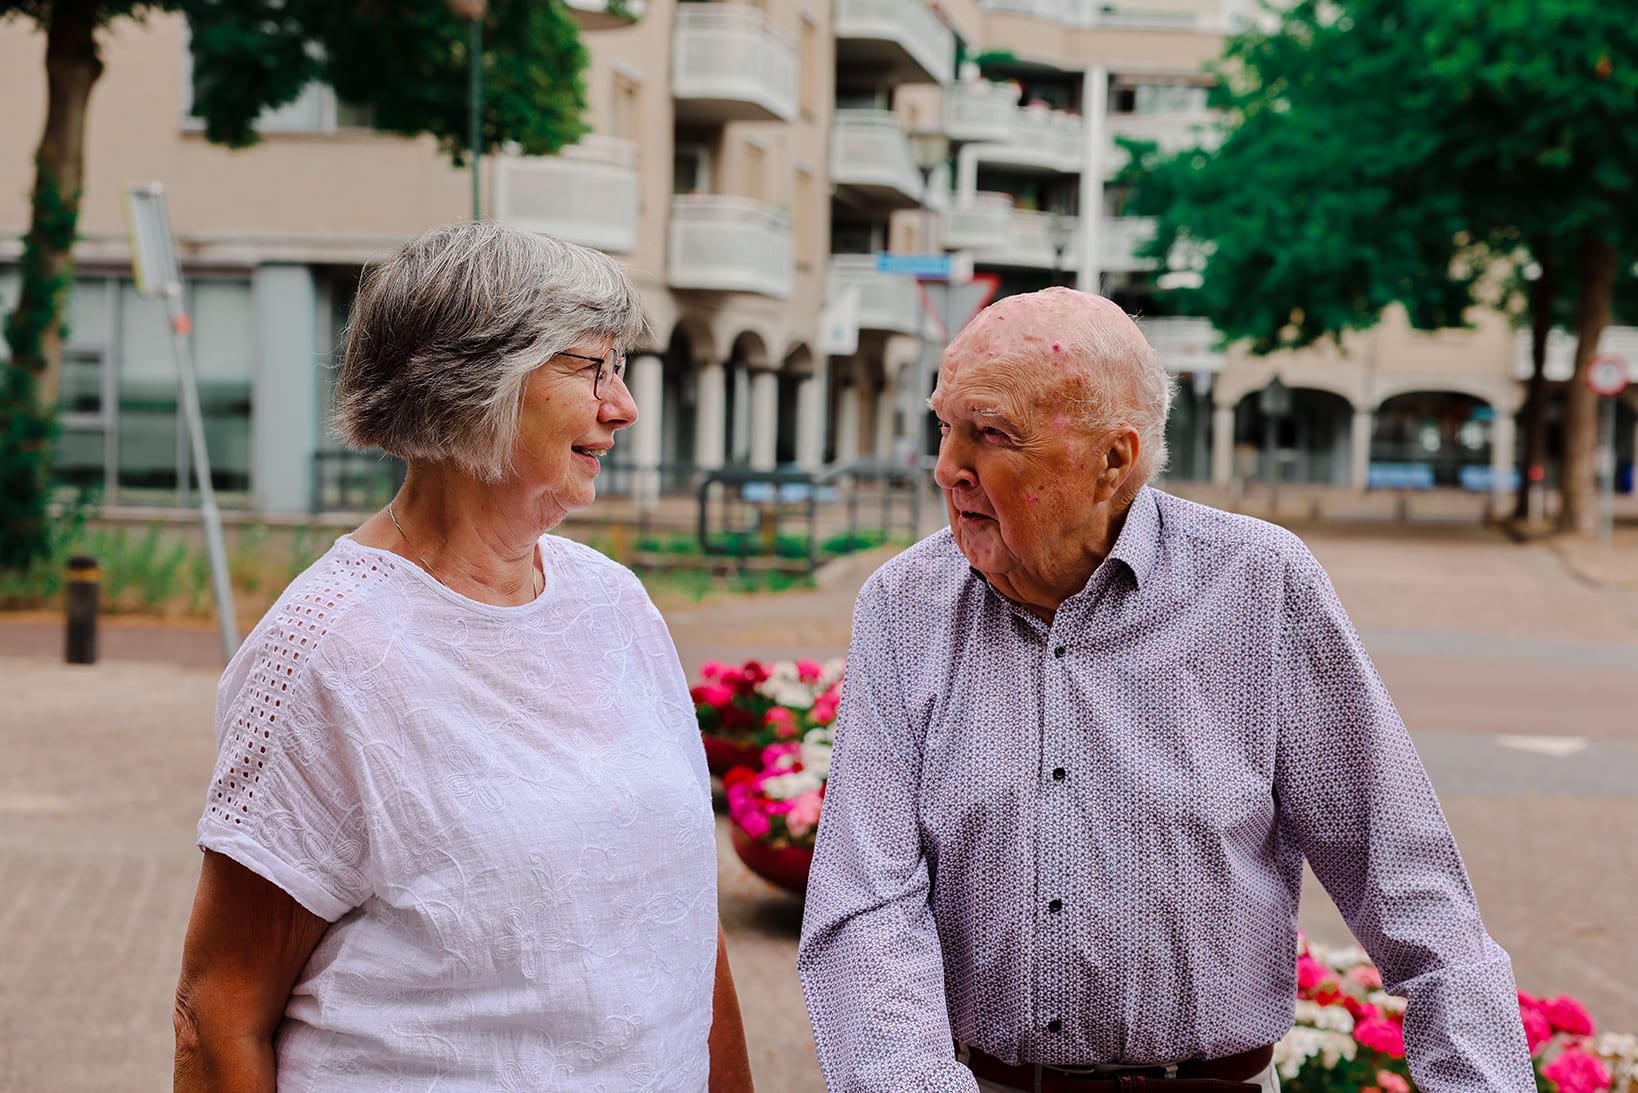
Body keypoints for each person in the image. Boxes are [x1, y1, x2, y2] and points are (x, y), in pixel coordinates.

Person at [796, 287, 1534, 1093]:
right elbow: (865, 906)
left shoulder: (1260, 585)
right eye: (945, 425)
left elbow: (1414, 892)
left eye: (991, 434)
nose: (947, 467)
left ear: (1113, 460)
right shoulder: (905, 607)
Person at [173, 222, 754, 1092]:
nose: (623, 405)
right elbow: (219, 1010)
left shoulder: (614, 604)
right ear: (471, 381)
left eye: (619, 367)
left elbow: (678, 920)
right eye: (589, 366)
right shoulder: (325, 648)